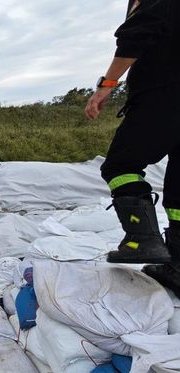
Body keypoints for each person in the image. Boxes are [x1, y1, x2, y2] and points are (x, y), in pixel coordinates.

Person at [83, 0, 180, 293]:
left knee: (120, 165)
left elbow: (138, 32)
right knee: (178, 185)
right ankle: (177, 266)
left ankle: (142, 239)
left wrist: (106, 85)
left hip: (165, 92)